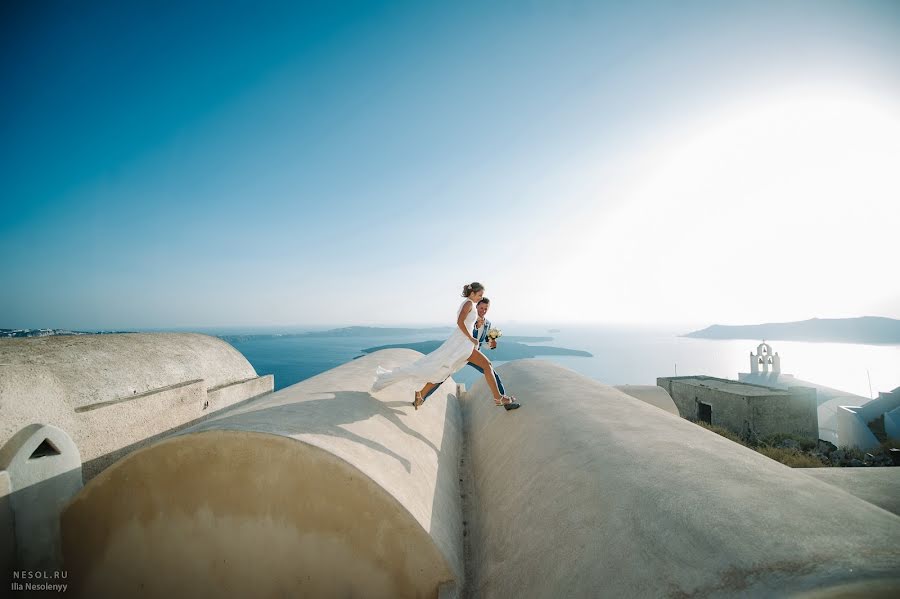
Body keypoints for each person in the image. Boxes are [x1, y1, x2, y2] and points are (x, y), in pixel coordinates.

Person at [372, 282, 518, 410]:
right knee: (475, 367)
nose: (481, 300)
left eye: (485, 305)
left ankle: (421, 395)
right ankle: (499, 398)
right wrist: (471, 337)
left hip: (467, 346)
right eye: (479, 296)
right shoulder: (468, 304)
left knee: (450, 371)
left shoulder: (480, 316)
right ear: (473, 294)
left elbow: (483, 340)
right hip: (464, 345)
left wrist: (490, 342)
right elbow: (460, 323)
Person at [421, 297, 515, 408]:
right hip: (463, 353)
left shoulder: (488, 324)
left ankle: (503, 400)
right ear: (476, 307)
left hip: (475, 355)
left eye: (486, 308)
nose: (483, 310)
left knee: (491, 372)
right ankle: (421, 398)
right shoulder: (471, 319)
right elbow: (465, 332)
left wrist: (492, 344)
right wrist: (476, 326)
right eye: (481, 308)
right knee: (443, 375)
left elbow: (482, 343)